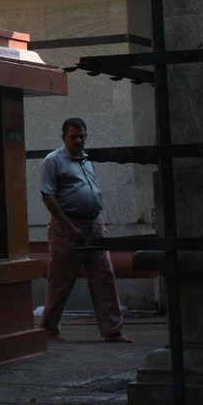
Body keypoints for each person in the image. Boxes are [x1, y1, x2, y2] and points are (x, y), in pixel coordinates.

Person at [40, 117, 132, 343]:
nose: (79, 140)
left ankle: (112, 330)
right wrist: (69, 227)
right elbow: (47, 196)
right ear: (63, 137)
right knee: (60, 280)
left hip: (93, 224)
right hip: (68, 227)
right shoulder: (53, 161)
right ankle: (49, 329)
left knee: (104, 275)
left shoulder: (86, 159)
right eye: (74, 136)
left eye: (82, 136)